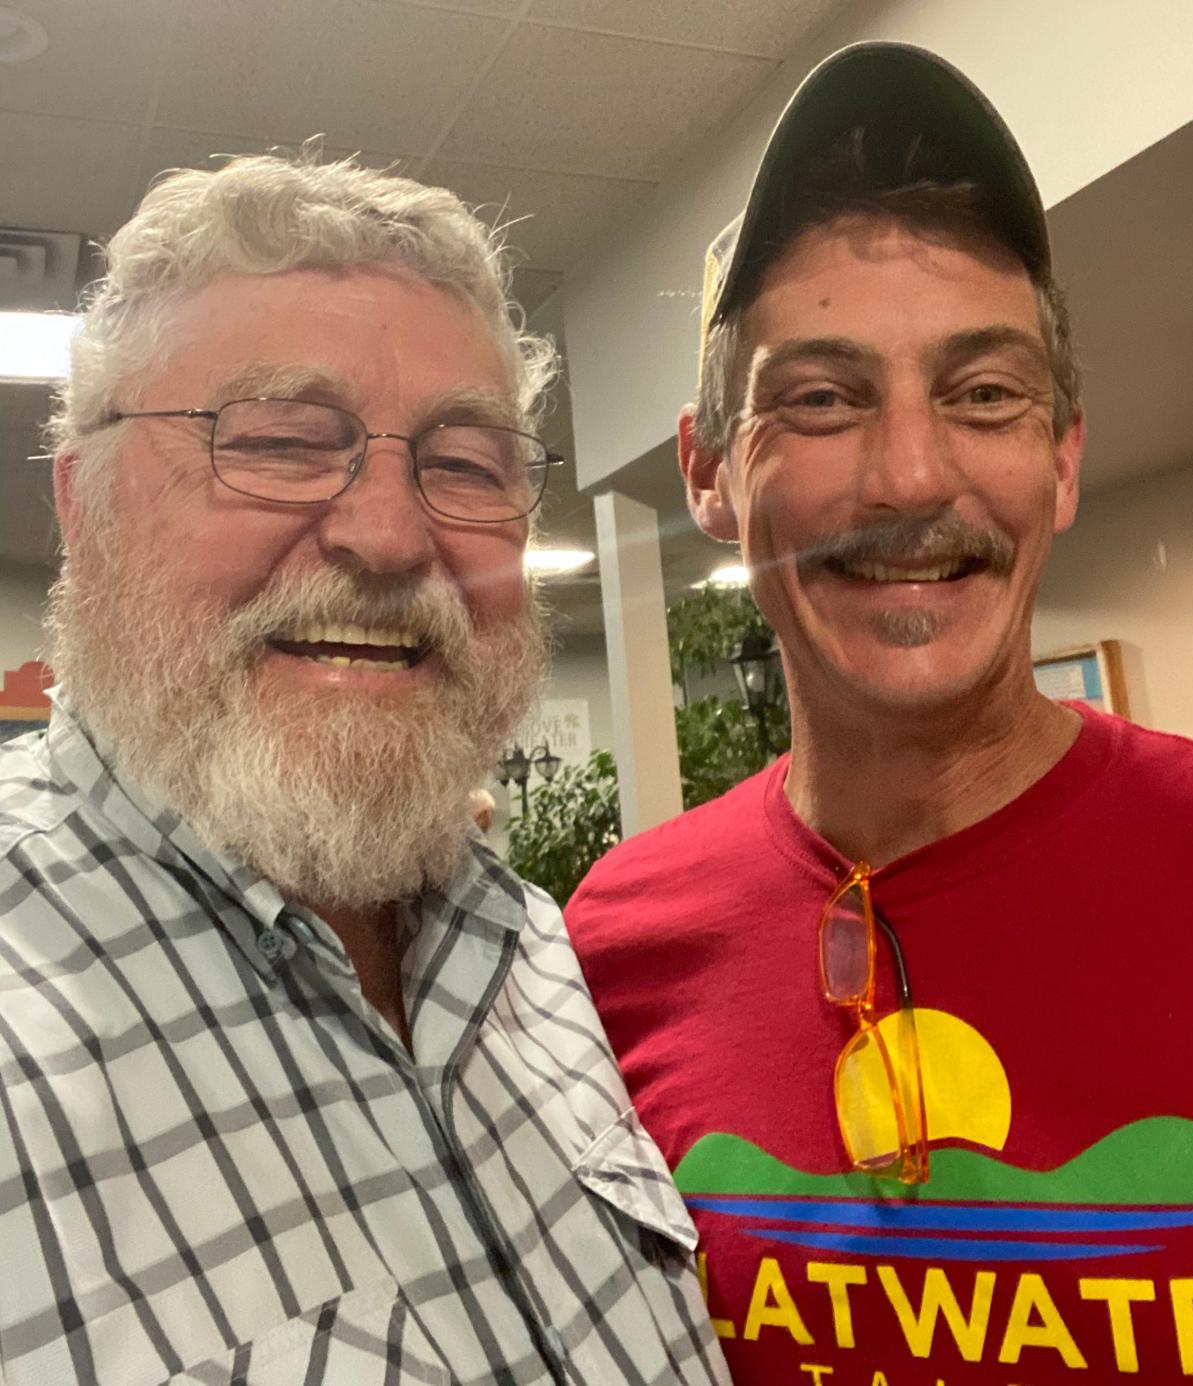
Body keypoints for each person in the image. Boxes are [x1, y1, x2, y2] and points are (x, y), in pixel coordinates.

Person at [566, 42, 1193, 1386]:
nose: (911, 472)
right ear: (707, 473)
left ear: (1058, 458)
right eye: (819, 399)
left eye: (983, 393)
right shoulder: (607, 951)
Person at [0, 153, 727, 1385]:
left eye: (465, 464)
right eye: (281, 440)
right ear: (86, 506)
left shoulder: (538, 955)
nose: (391, 535)